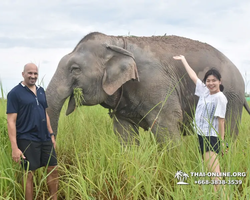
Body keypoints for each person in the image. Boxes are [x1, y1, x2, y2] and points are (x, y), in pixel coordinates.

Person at [173, 55, 228, 193]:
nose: (210, 83)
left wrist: (221, 142)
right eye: (208, 81)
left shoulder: (220, 97)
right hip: (201, 135)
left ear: (220, 81)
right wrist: (184, 59)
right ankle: (216, 195)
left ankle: (225, 196)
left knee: (216, 176)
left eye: (214, 81)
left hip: (211, 138)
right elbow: (193, 76)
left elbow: (221, 121)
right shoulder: (205, 92)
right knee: (211, 174)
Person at [6, 63, 58, 200]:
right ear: (23, 74)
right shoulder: (15, 93)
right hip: (27, 138)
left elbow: (45, 113)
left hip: (45, 138)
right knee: (28, 173)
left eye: (35, 73)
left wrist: (51, 134)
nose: (33, 76)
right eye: (30, 73)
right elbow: (11, 121)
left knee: (53, 168)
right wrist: (14, 148)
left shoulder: (41, 91)